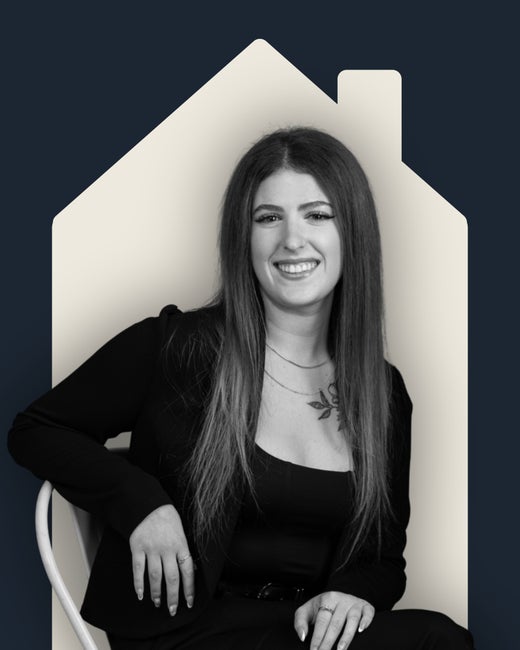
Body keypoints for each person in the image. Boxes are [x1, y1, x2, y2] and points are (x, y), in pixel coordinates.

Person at [8, 127, 473, 650]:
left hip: (299, 634)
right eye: (268, 218)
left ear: (354, 233)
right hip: (185, 635)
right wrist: (140, 504)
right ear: (243, 238)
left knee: (439, 639)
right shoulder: (175, 347)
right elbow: (36, 429)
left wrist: (350, 594)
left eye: (318, 215)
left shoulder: (382, 391)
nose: (292, 239)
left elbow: (381, 558)